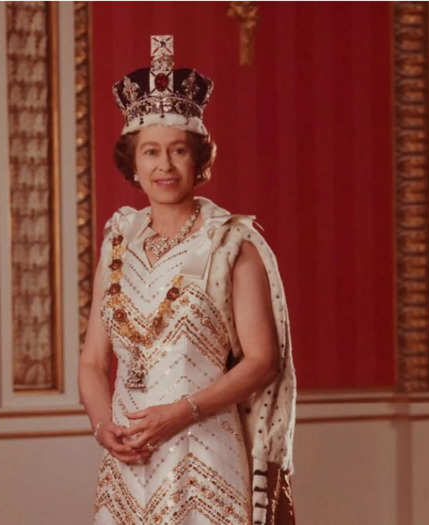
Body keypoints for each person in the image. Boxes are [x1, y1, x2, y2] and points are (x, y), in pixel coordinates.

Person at [78, 34, 296, 525]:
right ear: (133, 164)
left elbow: (263, 361)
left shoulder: (229, 244)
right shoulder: (117, 242)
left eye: (178, 150)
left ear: (199, 160)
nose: (165, 165)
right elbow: (93, 362)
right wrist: (101, 427)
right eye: (151, 152)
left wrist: (182, 411)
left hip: (205, 452)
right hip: (130, 460)